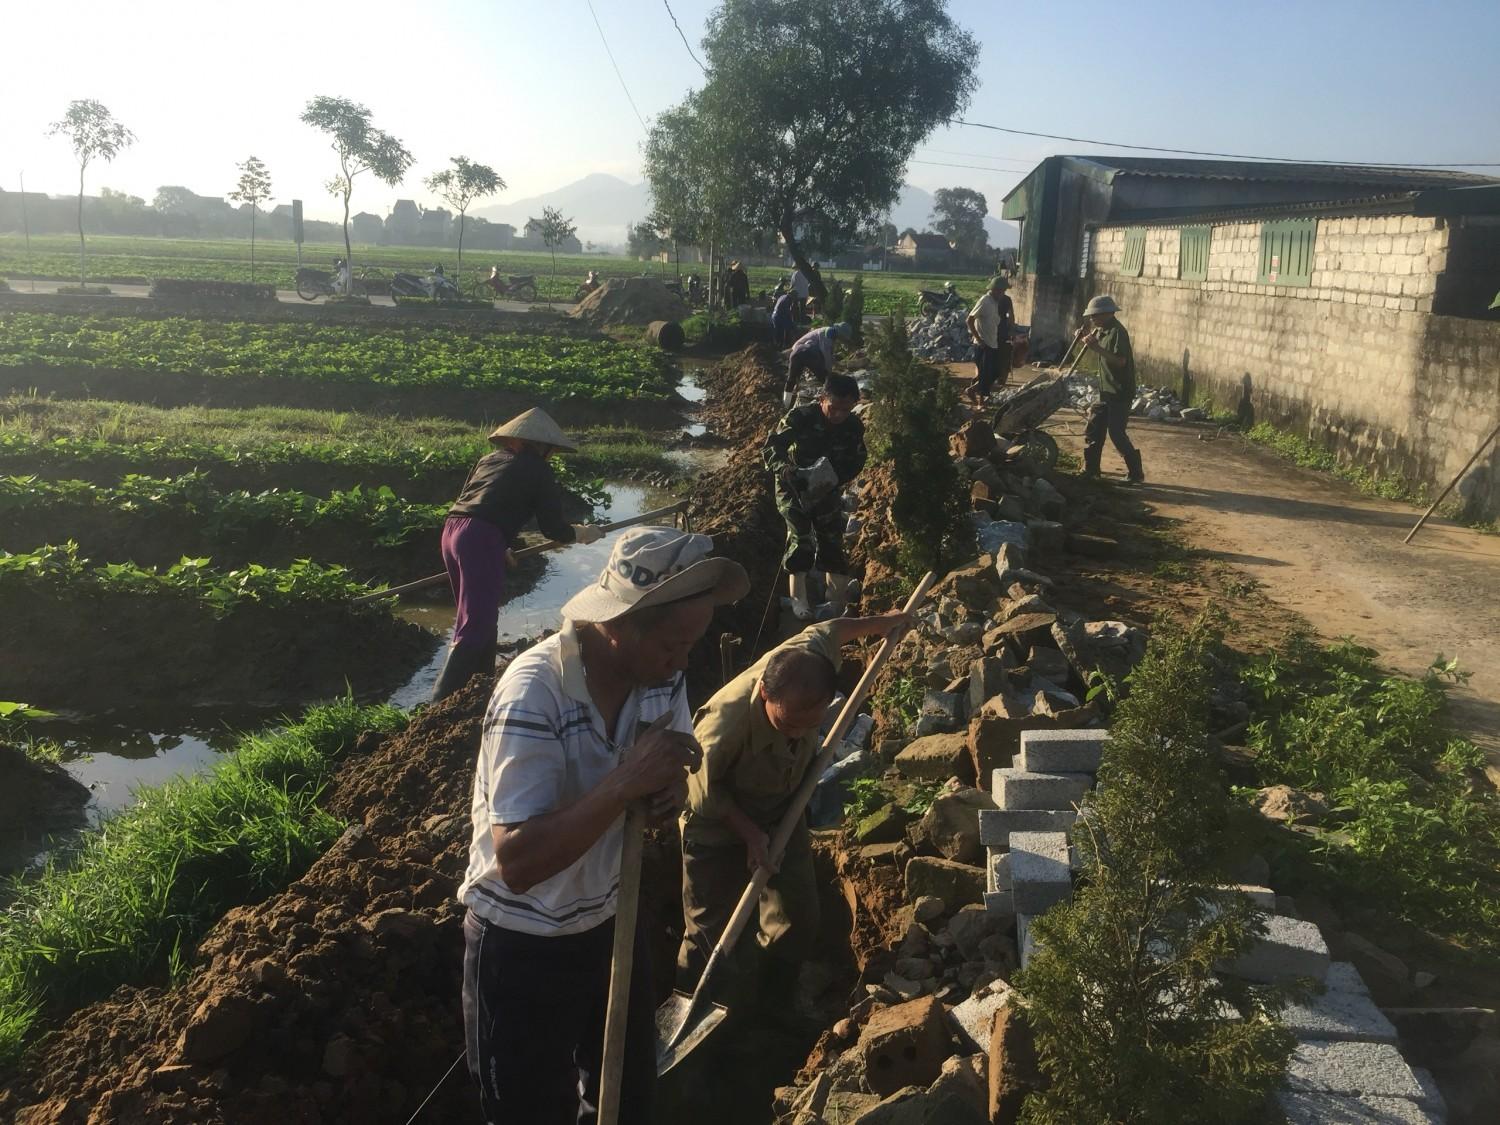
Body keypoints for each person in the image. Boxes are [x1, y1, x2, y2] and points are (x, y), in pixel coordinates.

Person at [459, 527, 750, 1125]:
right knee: (529, 1111)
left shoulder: (658, 674)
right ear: (617, 627)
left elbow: (679, 750)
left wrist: (668, 785)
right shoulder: (534, 695)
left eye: (691, 643)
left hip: (610, 917)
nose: (683, 661)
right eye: (672, 645)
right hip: (523, 945)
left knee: (625, 1096)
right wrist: (625, 784)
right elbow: (518, 863)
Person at [676, 611, 911, 1007]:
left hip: (783, 807)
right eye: (788, 727)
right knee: (708, 932)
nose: (800, 734)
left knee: (798, 914)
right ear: (766, 695)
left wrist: (887, 621)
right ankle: (695, 1006)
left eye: (810, 725)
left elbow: (832, 629)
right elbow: (702, 795)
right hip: (714, 825)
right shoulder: (724, 724)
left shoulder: (809, 659)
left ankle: (771, 998)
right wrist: (751, 836)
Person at [433, 409, 604, 702]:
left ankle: (477, 691)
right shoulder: (538, 470)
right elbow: (552, 528)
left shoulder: (489, 460)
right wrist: (580, 533)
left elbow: (476, 503)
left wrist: (500, 545)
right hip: (481, 537)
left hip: (452, 532)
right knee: (476, 623)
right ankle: (438, 704)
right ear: (542, 446)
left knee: (478, 617)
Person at [763, 373, 867, 621]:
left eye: (846, 409)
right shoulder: (801, 417)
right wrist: (785, 469)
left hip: (825, 488)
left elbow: (858, 459)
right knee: (801, 535)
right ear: (822, 399)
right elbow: (772, 447)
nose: (839, 415)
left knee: (831, 536)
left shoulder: (853, 426)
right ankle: (799, 599)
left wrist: (835, 477)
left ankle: (834, 602)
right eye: (834, 408)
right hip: (793, 485)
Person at [1074, 295, 1145, 483]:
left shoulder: (1117, 332)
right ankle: (1091, 470)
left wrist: (1096, 348)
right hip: (1106, 390)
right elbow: (1094, 338)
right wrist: (1083, 337)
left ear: (1107, 314)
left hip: (1119, 391)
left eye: (1095, 316)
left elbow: (1120, 361)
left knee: (1116, 432)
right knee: (1095, 428)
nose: (1092, 319)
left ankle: (1136, 473)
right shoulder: (1102, 329)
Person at [964, 276, 1015, 404]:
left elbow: (1008, 319)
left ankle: (972, 391)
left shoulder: (996, 302)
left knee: (995, 373)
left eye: (1004, 291)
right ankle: (979, 401)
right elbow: (969, 320)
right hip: (984, 344)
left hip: (993, 343)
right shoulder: (985, 301)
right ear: (994, 289)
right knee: (985, 373)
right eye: (1001, 291)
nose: (1002, 293)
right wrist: (979, 339)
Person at [782, 321, 853, 408]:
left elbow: (830, 355)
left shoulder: (827, 331)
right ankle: (831, 402)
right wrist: (829, 374)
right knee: (825, 378)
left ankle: (785, 405)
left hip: (796, 352)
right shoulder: (830, 333)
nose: (843, 340)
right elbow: (826, 355)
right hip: (807, 352)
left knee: (791, 379)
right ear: (841, 333)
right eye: (844, 337)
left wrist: (838, 365)